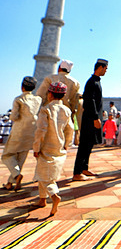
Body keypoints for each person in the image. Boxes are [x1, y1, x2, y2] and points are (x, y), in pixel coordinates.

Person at [33, 82, 73, 216]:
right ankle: (42, 199)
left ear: (50, 94)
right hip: (59, 146)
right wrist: (67, 143)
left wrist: (36, 147)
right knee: (48, 173)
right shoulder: (67, 110)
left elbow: (41, 130)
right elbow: (70, 129)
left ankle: (54, 195)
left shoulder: (46, 109)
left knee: (44, 176)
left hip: (46, 147)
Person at [2, 77, 42, 191]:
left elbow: (14, 116)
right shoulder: (38, 99)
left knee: (7, 155)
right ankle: (11, 182)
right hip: (31, 132)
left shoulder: (19, 99)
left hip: (19, 131)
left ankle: (16, 174)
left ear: (22, 87)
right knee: (21, 158)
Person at [73, 59, 108, 181]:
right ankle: (77, 172)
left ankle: (84, 168)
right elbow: (90, 101)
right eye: (105, 68)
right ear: (100, 68)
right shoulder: (92, 82)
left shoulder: (96, 81)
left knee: (89, 144)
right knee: (84, 144)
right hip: (90, 119)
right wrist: (95, 117)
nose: (106, 71)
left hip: (93, 117)